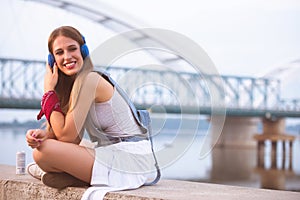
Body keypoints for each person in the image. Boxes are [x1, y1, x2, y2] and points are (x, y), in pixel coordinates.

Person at [25, 26, 157, 197]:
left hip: (130, 159)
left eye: (72, 49)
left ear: (84, 51)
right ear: (52, 60)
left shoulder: (90, 80)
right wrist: (42, 134)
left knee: (42, 153)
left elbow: (67, 137)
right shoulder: (75, 86)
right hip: (113, 154)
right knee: (39, 156)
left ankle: (76, 176)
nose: (67, 57)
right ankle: (77, 177)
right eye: (59, 53)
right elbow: (71, 137)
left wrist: (48, 92)